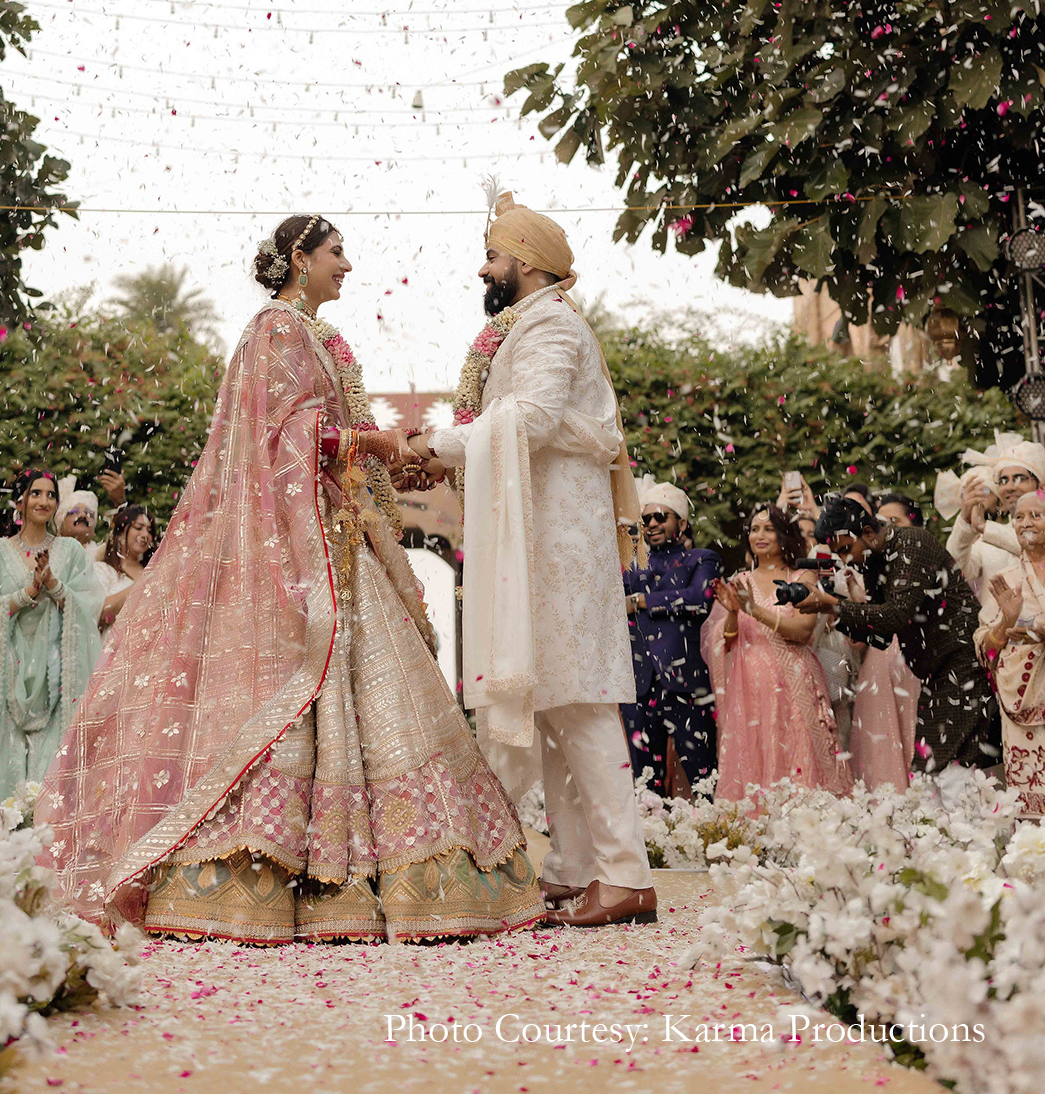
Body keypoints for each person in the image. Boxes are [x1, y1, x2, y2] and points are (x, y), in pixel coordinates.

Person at [37, 213, 545, 944]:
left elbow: (307, 432)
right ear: (299, 258)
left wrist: (371, 452)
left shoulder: (303, 332)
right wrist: (369, 440)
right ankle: (261, 878)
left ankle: (399, 876)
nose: (348, 266)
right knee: (295, 687)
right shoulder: (274, 329)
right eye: (336, 253)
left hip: (335, 534)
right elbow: (277, 435)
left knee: (376, 694)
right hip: (302, 550)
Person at [406, 191, 655, 929]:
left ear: (529, 263)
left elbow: (534, 419)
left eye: (494, 256)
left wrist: (433, 445)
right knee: (551, 703)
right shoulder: (530, 327)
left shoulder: (548, 326)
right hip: (542, 540)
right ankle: (575, 866)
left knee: (578, 702)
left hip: (561, 545)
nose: (484, 269)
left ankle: (627, 875)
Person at [805, 497, 999, 775]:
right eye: (840, 554)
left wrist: (834, 606)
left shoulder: (911, 543)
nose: (848, 559)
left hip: (961, 664)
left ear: (869, 533)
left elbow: (896, 615)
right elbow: (881, 636)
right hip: (935, 672)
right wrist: (836, 611)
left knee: (949, 771)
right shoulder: (874, 557)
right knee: (929, 770)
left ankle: (965, 819)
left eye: (847, 549)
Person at [0, 470, 104, 813]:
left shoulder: (71, 552)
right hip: (6, 667)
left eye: (50, 495)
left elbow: (88, 605)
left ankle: (48, 829)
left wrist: (53, 584)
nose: (44, 501)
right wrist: (27, 593)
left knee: (51, 754)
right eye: (36, 494)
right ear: (21, 501)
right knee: (2, 752)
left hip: (57, 670)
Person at [703, 504, 853, 799]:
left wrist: (755, 611)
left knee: (799, 752)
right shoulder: (739, 582)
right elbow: (726, 640)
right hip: (751, 685)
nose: (760, 535)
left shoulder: (802, 579)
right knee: (758, 750)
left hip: (794, 681)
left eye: (769, 529)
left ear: (783, 535)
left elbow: (802, 631)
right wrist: (733, 613)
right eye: (755, 529)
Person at [619, 480, 720, 796]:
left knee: (703, 777)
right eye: (646, 519)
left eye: (661, 516)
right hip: (639, 686)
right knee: (645, 783)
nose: (651, 524)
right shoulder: (632, 568)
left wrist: (640, 601)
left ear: (683, 522)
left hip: (686, 685)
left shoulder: (702, 559)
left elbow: (698, 598)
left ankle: (715, 840)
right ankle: (653, 842)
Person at [976, 489, 1045, 817]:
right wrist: (1005, 622)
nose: (1026, 523)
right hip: (1022, 699)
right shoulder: (1007, 581)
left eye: (1036, 514)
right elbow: (985, 649)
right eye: (1019, 516)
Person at [846, 497, 921, 790]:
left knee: (914, 734)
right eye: (882, 523)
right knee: (880, 740)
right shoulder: (867, 568)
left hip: (915, 661)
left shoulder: (926, 563)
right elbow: (858, 640)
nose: (887, 530)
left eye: (896, 522)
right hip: (877, 665)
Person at [947, 441, 1045, 599]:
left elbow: (1034, 548)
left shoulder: (990, 532)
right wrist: (964, 522)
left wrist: (985, 527)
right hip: (996, 624)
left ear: (1041, 486)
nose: (1010, 486)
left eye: (1019, 478)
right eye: (1004, 480)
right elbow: (956, 569)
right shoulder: (986, 540)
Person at [93, 502, 156, 633]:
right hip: (113, 649)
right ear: (121, 533)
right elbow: (99, 613)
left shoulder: (154, 573)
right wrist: (140, 584)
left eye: (149, 531)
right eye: (139, 528)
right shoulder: (103, 570)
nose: (145, 535)